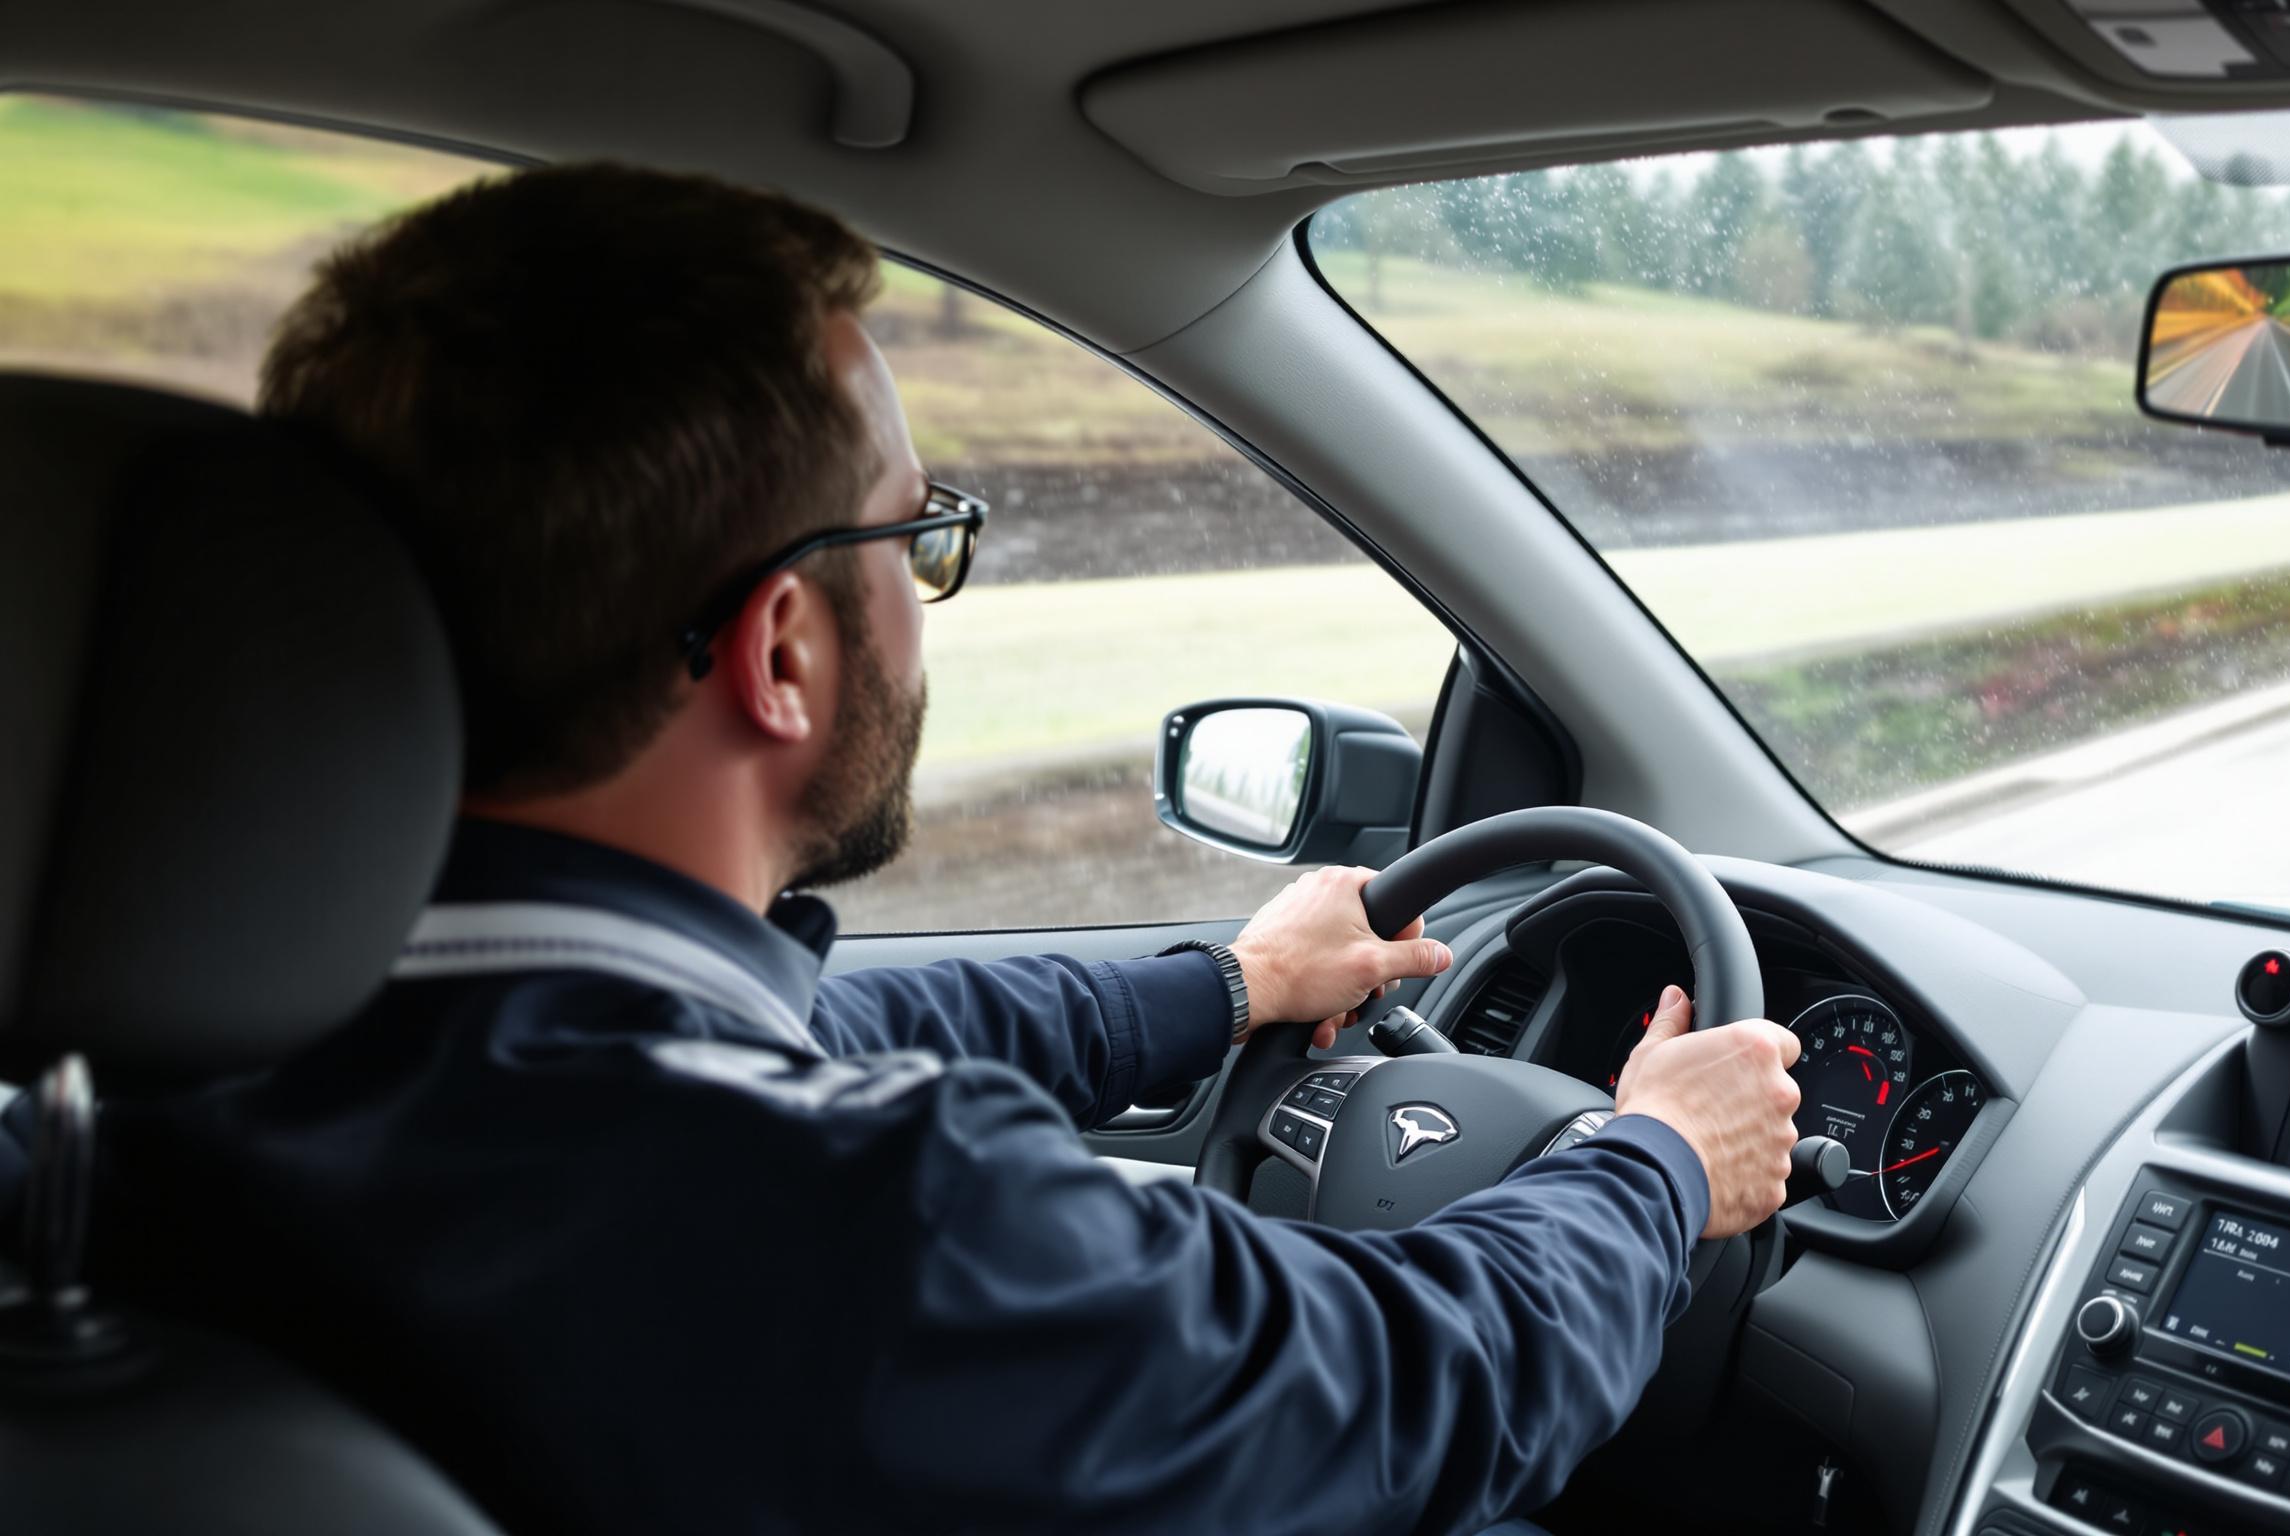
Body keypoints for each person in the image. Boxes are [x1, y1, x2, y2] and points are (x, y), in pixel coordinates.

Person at [86, 164, 1804, 1535]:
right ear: (781, 648)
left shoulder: (188, 1061)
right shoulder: (847, 1221)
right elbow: (1398, 1397)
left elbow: (829, 1027)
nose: (926, 597)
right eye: (918, 537)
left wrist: (1231, 986)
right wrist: (1657, 1160)